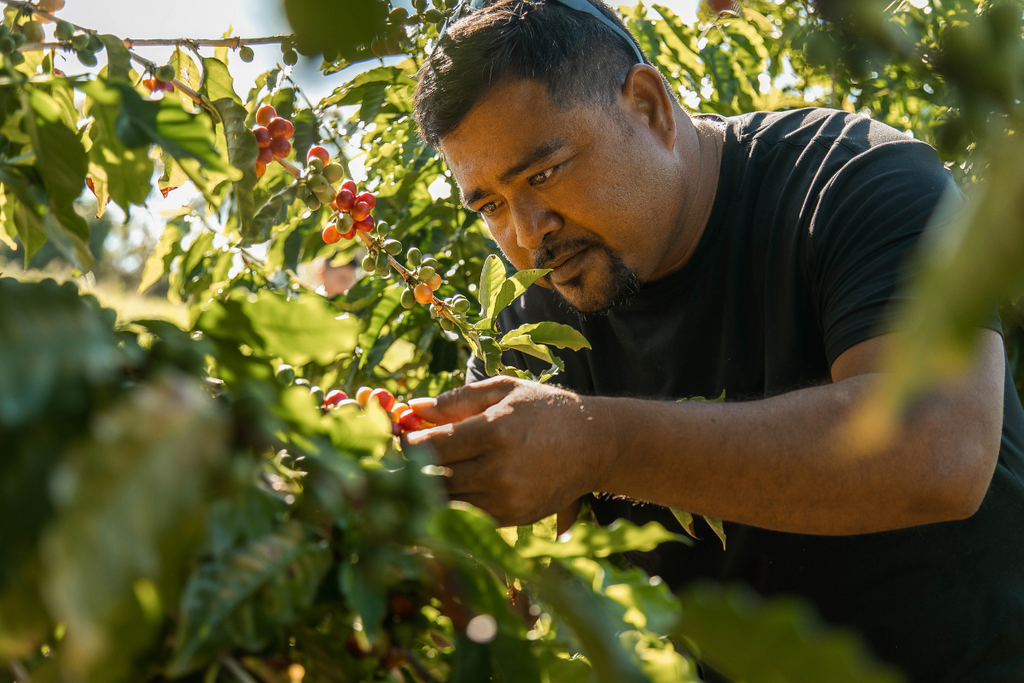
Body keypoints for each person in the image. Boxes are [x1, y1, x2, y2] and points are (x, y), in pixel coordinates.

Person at [404, 0, 1024, 679]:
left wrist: (597, 444)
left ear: (648, 105)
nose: (526, 232)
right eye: (490, 205)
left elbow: (941, 447)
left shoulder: (855, 180)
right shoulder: (539, 326)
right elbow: (527, 586)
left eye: (543, 173)